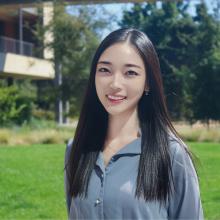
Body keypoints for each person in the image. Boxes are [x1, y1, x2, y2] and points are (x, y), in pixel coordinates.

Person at [64, 28, 204, 219]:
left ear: (147, 83)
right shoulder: (76, 149)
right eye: (105, 70)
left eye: (130, 72)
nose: (115, 83)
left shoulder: (172, 154)